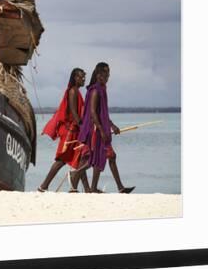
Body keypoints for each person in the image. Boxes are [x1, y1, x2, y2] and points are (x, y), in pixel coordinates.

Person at [69, 62, 135, 194]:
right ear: (99, 75)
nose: (108, 76)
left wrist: (112, 125)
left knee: (104, 157)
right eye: (106, 73)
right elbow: (93, 113)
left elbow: (102, 113)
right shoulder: (95, 90)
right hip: (96, 130)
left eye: (109, 73)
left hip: (101, 128)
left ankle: (105, 187)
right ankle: (77, 176)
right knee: (96, 158)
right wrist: (101, 130)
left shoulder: (102, 89)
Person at [38, 68, 90, 193]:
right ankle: (44, 186)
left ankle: (84, 189)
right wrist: (83, 126)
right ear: (75, 78)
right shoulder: (73, 91)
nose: (83, 79)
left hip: (75, 130)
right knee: (62, 159)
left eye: (84, 77)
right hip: (70, 131)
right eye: (81, 77)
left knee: (79, 157)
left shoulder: (77, 91)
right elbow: (73, 111)